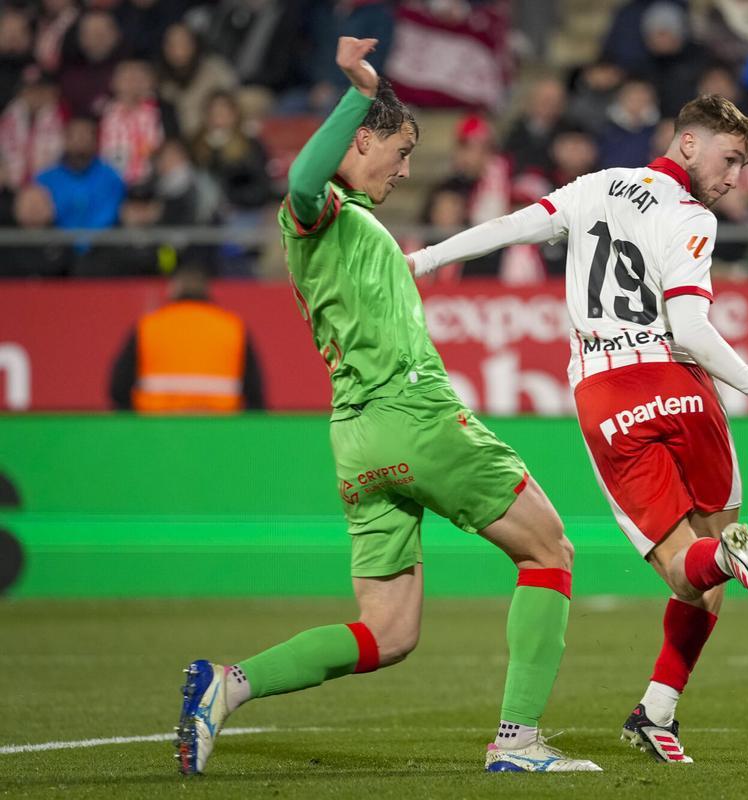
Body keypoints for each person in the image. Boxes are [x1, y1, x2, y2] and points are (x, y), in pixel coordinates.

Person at [172, 37, 600, 777]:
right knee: (550, 551)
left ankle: (228, 686)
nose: (404, 172)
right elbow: (304, 174)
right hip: (412, 415)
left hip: (357, 439)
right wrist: (357, 89)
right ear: (360, 138)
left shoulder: (350, 225)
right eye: (398, 152)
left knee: (389, 632)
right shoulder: (322, 210)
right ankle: (519, 740)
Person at [409, 93, 748, 763]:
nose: (735, 178)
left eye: (743, 164)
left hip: (606, 390)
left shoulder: (593, 187)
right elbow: (688, 328)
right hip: (681, 384)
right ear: (687, 146)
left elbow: (513, 225)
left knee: (687, 572)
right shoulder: (690, 217)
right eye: (731, 159)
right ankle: (660, 705)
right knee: (706, 573)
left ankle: (718, 575)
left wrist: (425, 261)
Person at [109, 266, 265, 408]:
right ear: (207, 291)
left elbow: (119, 388)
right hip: (218, 428)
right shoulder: (232, 327)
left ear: (173, 290)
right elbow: (254, 392)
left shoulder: (148, 326)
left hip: (157, 428)